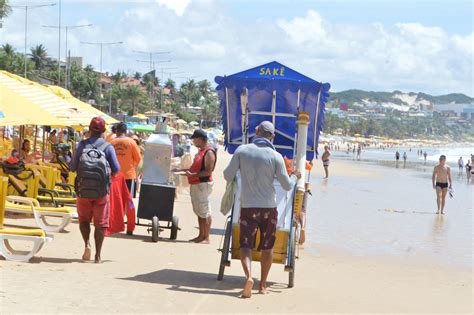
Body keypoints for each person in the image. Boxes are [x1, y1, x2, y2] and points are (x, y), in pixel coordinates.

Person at [223, 121, 301, 298]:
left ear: (257, 132)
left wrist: (241, 171)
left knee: (245, 246)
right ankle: (263, 285)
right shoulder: (276, 156)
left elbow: (227, 175)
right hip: (269, 208)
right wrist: (295, 176)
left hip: (248, 207)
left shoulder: (242, 151)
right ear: (272, 136)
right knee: (268, 248)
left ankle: (249, 277)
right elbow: (287, 185)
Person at [70, 117, 120, 263]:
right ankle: (98, 255)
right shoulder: (108, 147)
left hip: (83, 190)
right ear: (103, 131)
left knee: (84, 219)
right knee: (101, 223)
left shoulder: (81, 145)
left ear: (90, 130)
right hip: (101, 192)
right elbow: (116, 169)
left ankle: (87, 244)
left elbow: (72, 167)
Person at [174, 129, 216, 244]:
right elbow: (193, 168)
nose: (193, 141)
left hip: (203, 184)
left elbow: (208, 171)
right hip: (196, 183)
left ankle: (206, 237)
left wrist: (193, 174)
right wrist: (180, 170)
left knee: (205, 210)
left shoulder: (209, 152)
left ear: (201, 139)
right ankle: (201, 235)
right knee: (198, 211)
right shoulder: (200, 151)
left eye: (195, 139)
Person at [111, 122, 142, 199]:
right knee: (128, 203)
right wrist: (137, 174)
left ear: (117, 131)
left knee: (115, 202)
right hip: (129, 177)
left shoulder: (111, 143)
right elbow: (139, 161)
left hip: (114, 177)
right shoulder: (132, 142)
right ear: (126, 131)